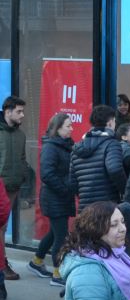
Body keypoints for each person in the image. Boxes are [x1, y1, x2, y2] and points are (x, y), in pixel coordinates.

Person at [30, 112, 75, 283]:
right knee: (61, 236)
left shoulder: (65, 145)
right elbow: (47, 174)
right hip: (54, 197)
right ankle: (58, 273)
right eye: (68, 126)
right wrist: (64, 189)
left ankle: (37, 261)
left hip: (60, 197)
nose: (72, 128)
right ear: (58, 129)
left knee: (54, 232)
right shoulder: (51, 147)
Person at [71, 104, 127, 207]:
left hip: (85, 207)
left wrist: (84, 196)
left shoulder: (76, 148)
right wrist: (125, 191)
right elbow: (115, 169)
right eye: (114, 121)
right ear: (110, 123)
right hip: (107, 207)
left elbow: (73, 182)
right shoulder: (111, 144)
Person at [0, 96, 27, 289]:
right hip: (0, 185)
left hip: (14, 187)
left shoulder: (20, 135)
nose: (22, 115)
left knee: (3, 226)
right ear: (7, 111)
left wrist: (23, 176)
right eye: (18, 111)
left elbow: (23, 158)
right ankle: (3, 265)